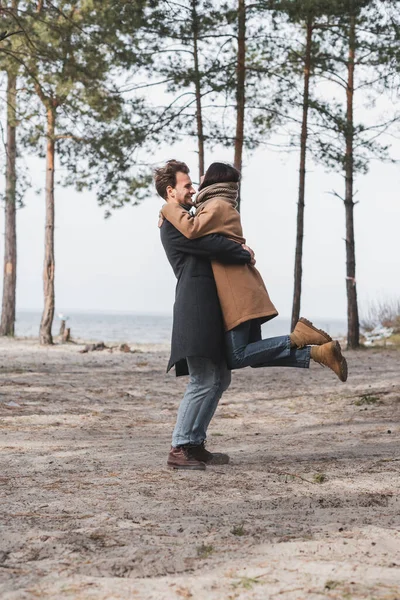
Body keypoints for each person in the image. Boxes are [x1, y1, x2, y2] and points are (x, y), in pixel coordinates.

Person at [160, 161, 348, 379]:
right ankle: (318, 352)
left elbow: (193, 231)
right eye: (190, 184)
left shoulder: (216, 206)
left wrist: (167, 208)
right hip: (240, 287)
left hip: (237, 290)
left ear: (213, 180)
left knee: (238, 356)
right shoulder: (216, 206)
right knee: (253, 354)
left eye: (201, 179)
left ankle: (299, 337)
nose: (196, 185)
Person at [154, 160, 255, 471]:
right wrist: (242, 251)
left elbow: (213, 238)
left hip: (208, 309)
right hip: (194, 308)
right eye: (187, 186)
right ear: (171, 192)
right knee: (202, 379)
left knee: (219, 378)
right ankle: (178, 446)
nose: (193, 190)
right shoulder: (174, 225)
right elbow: (212, 243)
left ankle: (194, 444)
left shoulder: (187, 219)